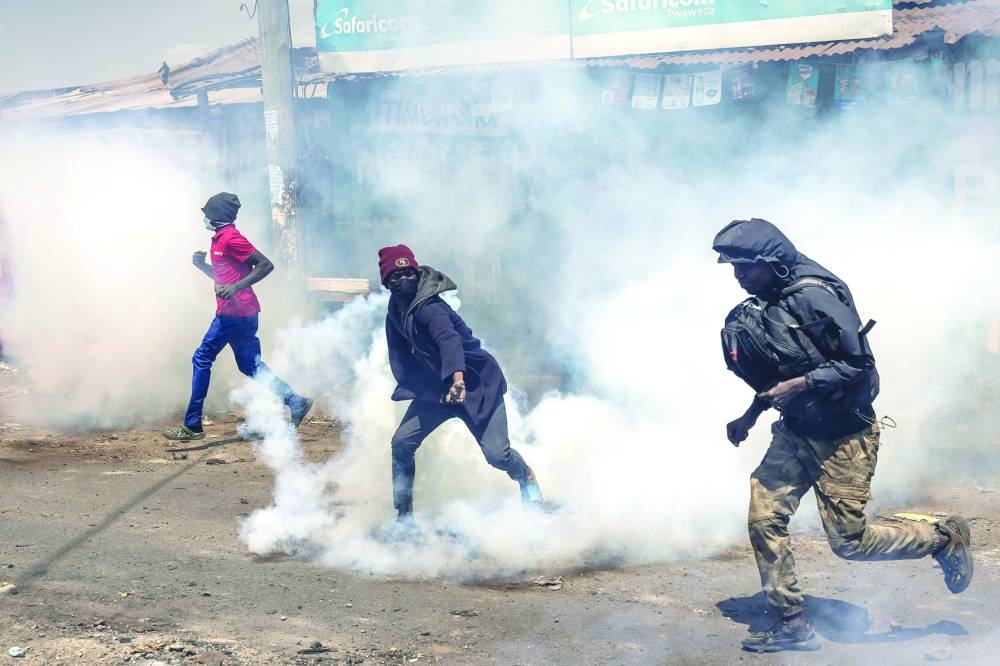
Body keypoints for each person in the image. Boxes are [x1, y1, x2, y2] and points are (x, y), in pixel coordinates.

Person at [713, 218, 973, 653]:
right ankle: (793, 624)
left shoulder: (813, 297)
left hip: (844, 438)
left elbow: (858, 365)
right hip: (795, 432)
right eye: (734, 269)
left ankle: (943, 537)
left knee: (851, 544)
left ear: (772, 263)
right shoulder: (769, 301)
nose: (739, 277)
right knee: (764, 517)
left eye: (746, 268)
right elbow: (780, 371)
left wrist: (801, 386)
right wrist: (750, 415)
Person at [378, 244, 542, 520]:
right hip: (440, 393)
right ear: (387, 282)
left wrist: (457, 380)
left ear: (417, 274)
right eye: (396, 276)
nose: (404, 280)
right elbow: (400, 358)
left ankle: (525, 476)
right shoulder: (395, 312)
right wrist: (431, 389)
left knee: (496, 455)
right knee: (402, 443)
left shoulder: (429, 308)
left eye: (408, 274)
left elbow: (449, 341)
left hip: (476, 386)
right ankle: (404, 515)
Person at [163, 193, 312, 442]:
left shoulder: (232, 238)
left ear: (217, 216)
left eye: (207, 214)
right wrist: (203, 267)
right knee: (249, 365)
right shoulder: (221, 238)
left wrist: (236, 288)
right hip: (245, 312)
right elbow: (226, 277)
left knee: (201, 358)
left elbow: (265, 265)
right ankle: (295, 401)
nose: (205, 218)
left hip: (232, 313)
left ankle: (193, 425)